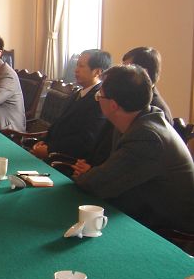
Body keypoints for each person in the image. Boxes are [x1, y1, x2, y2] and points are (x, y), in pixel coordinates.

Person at [72, 65, 194, 235]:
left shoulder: (148, 137)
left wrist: (88, 175)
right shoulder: (141, 119)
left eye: (99, 95)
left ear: (113, 105)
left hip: (166, 231)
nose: (97, 99)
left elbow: (98, 184)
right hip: (140, 209)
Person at [31, 49, 111, 161]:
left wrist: (50, 150)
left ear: (97, 72)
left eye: (81, 66)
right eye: (77, 65)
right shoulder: (77, 93)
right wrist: (43, 142)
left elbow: (85, 140)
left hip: (67, 160)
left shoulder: (100, 99)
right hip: (52, 150)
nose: (76, 70)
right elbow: (59, 124)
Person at [122, 46, 173, 124]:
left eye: (126, 71)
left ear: (144, 73)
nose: (121, 75)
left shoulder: (156, 112)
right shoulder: (132, 99)